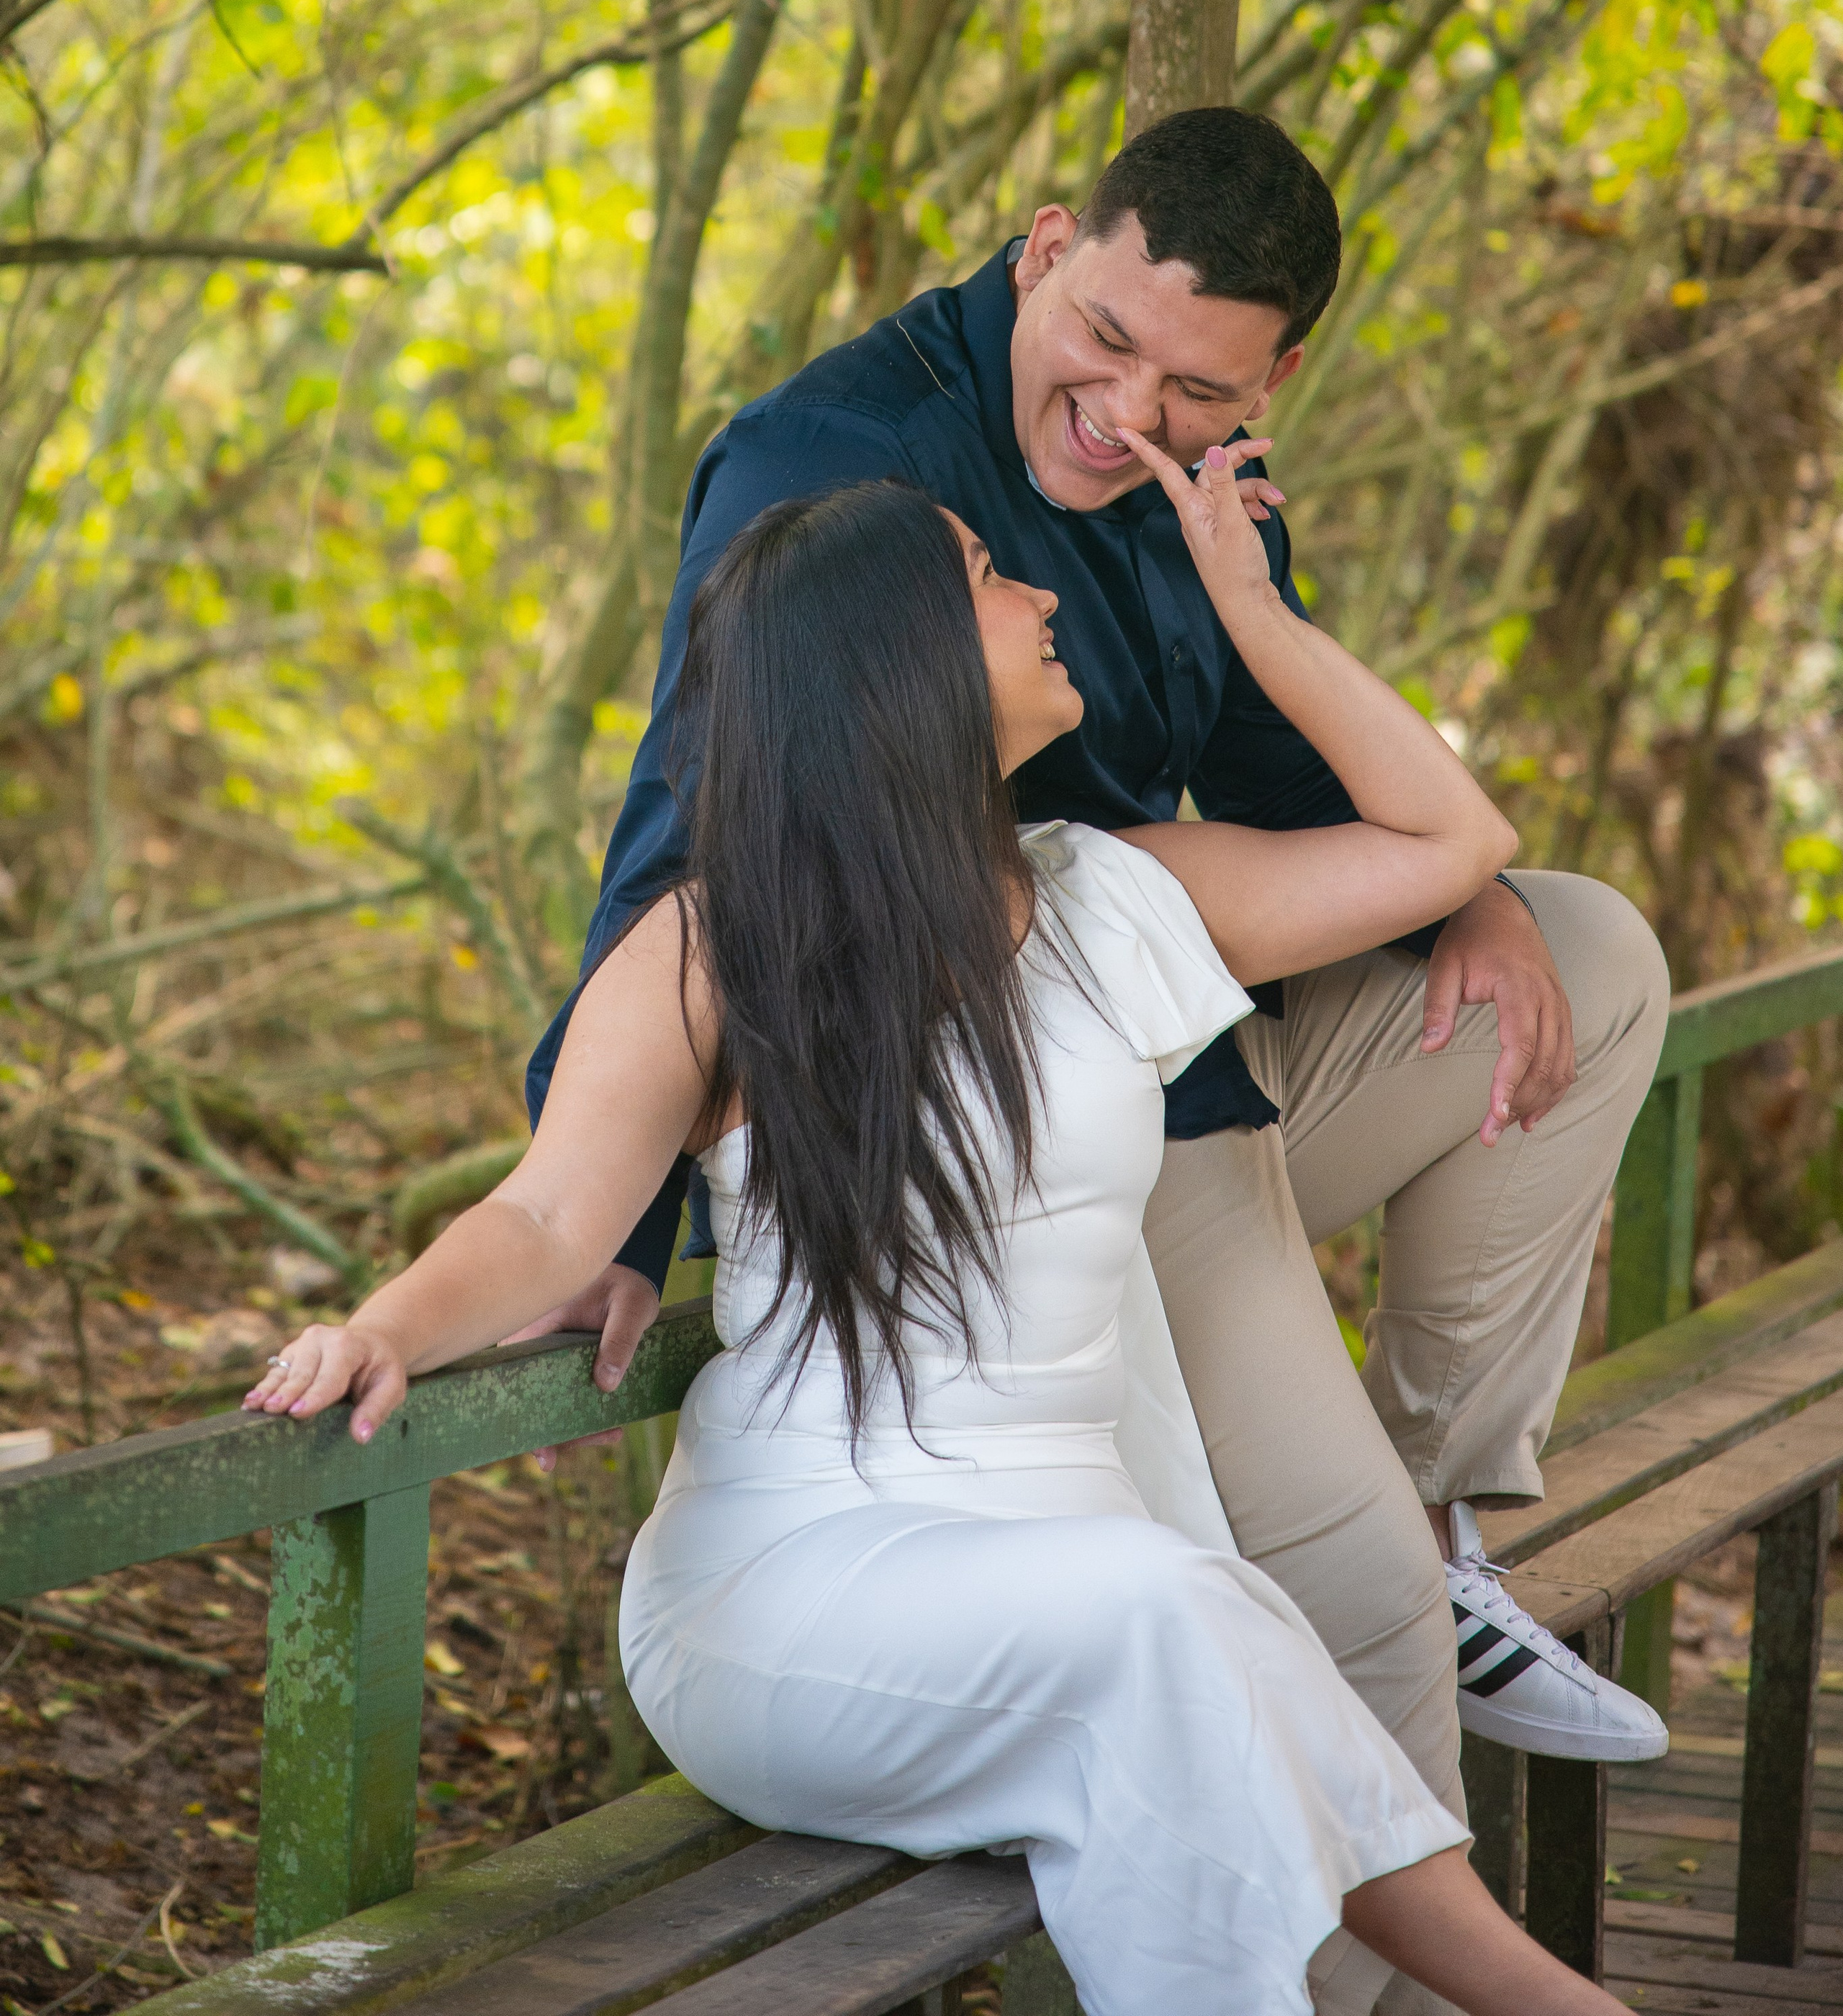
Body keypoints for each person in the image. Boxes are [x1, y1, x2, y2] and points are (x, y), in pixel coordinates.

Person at [245, 467, 1626, 2016]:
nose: (1039, 592)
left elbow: (1451, 838)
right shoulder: (718, 945)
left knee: (1187, 1618)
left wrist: (1252, 609)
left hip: (1076, 1568)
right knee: (1176, 1614)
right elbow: (547, 1212)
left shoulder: (1116, 900)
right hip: (795, 1589)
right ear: (888, 657)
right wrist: (385, 1324)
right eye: (986, 573)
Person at [518, 107, 1672, 1929]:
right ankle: (1379, 1657)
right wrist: (620, 1217)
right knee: (1334, 1603)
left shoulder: (1192, 474)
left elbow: (1290, 768)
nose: (1124, 414)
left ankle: (1441, 1509)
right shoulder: (837, 464)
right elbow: (695, 842)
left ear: (1274, 373)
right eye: (1104, 339)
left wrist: (1472, 891)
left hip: (1171, 1019)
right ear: (1047, 243)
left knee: (1584, 953)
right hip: (1025, 1128)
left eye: (1193, 387)